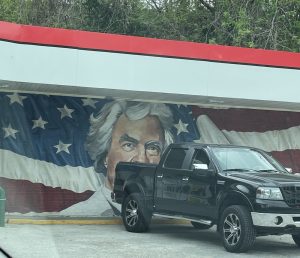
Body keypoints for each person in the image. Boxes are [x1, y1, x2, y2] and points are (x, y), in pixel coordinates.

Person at [73, 100, 174, 216]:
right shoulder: (79, 215)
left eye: (152, 148)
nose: (141, 160)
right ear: (105, 155)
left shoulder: (170, 214)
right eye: (128, 145)